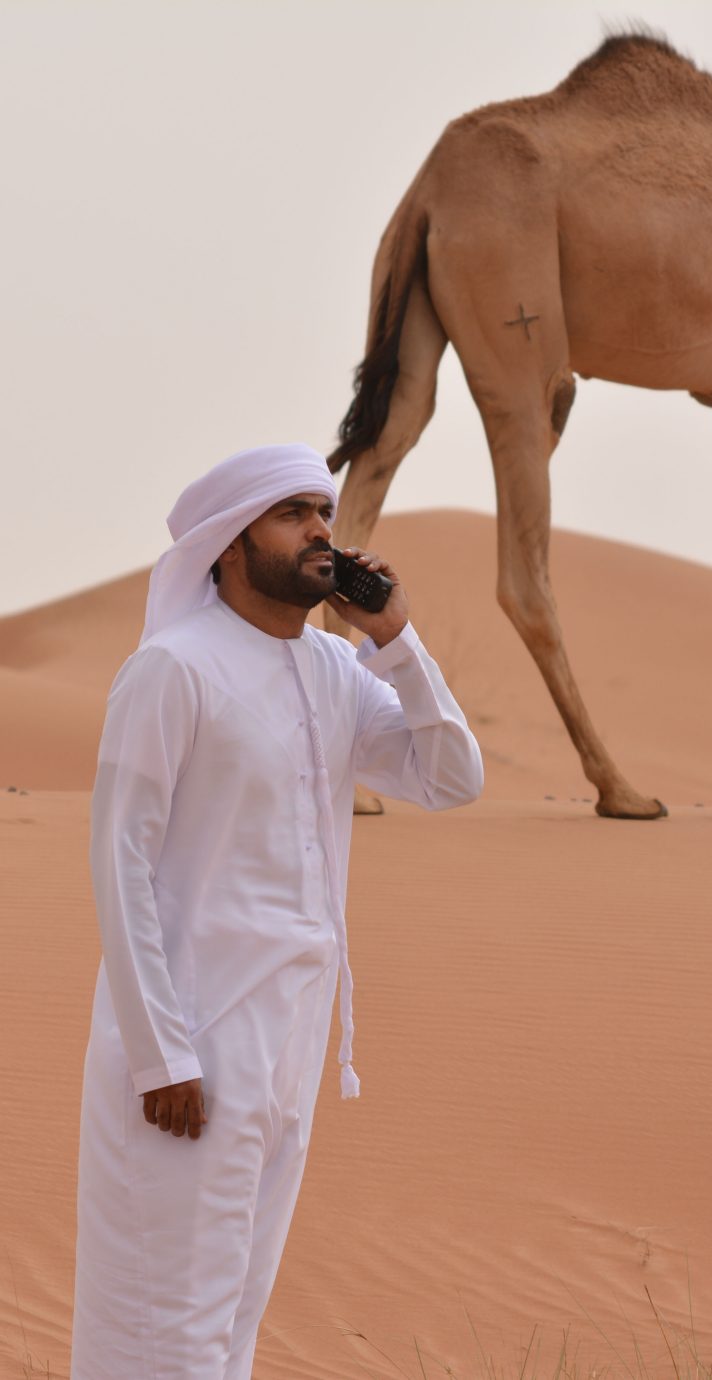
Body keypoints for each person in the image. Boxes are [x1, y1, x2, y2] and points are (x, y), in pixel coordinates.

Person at [70, 442, 483, 1380]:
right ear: (229, 542)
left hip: (290, 1052)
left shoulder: (337, 673)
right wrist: (159, 1052)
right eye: (294, 513)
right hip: (190, 1053)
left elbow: (452, 778)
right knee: (165, 1329)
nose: (321, 531)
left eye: (324, 512)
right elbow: (118, 860)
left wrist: (398, 643)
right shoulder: (172, 668)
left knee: (231, 1332)